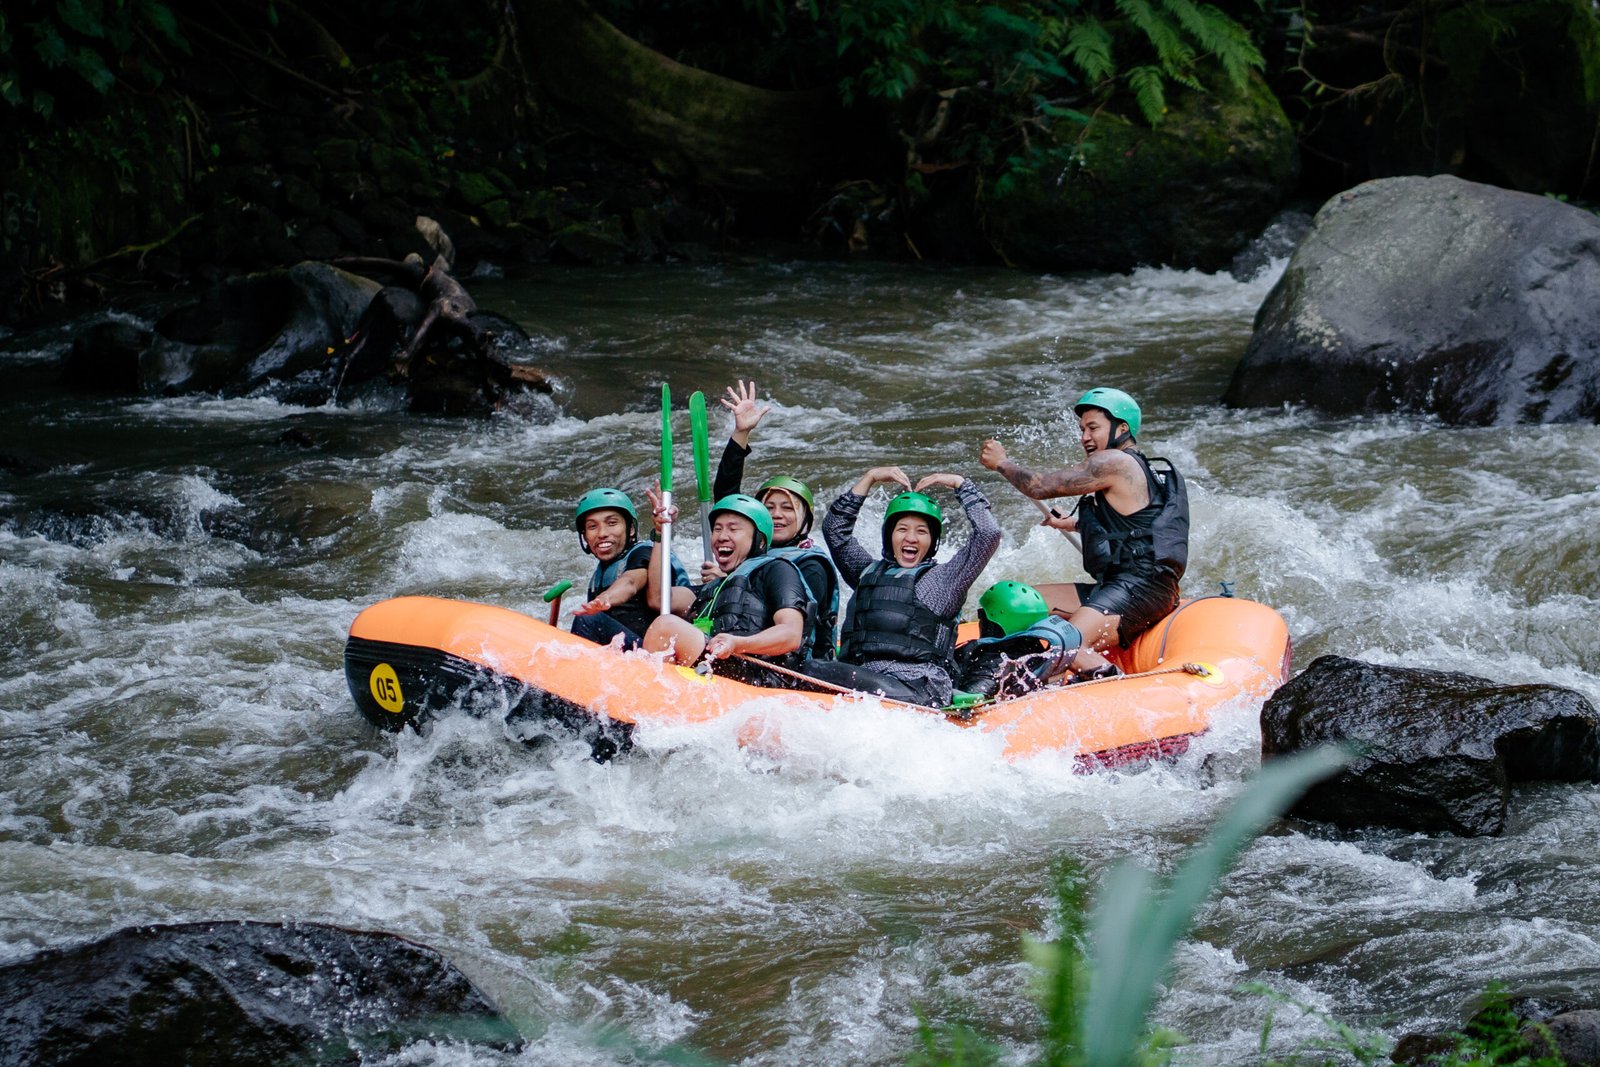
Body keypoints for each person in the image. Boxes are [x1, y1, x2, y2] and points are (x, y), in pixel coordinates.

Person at [979, 387, 1189, 681]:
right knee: (1013, 605)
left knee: (1064, 644)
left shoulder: (1115, 462)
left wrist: (1002, 463)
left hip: (1141, 588)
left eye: (1093, 428)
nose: (1085, 437)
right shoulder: (1135, 467)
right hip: (1116, 584)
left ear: (1122, 428)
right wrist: (1074, 524)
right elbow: (1134, 528)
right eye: (1082, 430)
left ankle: (1113, 683)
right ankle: (1003, 676)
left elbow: (1039, 486)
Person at [806, 466, 1001, 707]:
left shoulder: (944, 581)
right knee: (810, 666)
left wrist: (960, 484)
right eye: (902, 529)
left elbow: (988, 534)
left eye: (921, 531)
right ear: (889, 536)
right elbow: (835, 529)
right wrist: (869, 478)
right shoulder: (866, 572)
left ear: (932, 541)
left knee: (812, 668)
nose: (911, 538)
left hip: (918, 686)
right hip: (866, 678)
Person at [705, 379, 840, 660]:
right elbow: (728, 502)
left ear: (804, 520)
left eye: (787, 508)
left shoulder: (811, 565)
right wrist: (741, 434)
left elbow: (796, 621)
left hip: (798, 660)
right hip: (744, 647)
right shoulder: (749, 557)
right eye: (769, 507)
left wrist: (729, 585)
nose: (777, 514)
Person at [640, 492, 814, 685]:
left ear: (760, 540)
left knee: (666, 627)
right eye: (717, 529)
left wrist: (737, 643)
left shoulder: (777, 570)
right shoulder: (713, 588)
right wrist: (660, 533)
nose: (722, 537)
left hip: (762, 675)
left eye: (733, 529)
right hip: (719, 667)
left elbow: (791, 635)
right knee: (664, 626)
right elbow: (659, 598)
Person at [568, 487, 689, 649]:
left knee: (588, 620)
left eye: (612, 523)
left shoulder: (645, 553)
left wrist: (606, 598)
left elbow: (630, 582)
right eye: (592, 527)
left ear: (631, 529)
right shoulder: (599, 575)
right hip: (626, 651)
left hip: (657, 653)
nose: (602, 533)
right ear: (584, 536)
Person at [952, 581, 1082, 700]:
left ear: (991, 622)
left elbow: (972, 699)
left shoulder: (992, 661)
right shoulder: (1042, 653)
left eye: (982, 614)